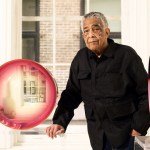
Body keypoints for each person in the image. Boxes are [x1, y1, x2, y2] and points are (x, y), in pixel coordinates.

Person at [46, 12, 150, 150]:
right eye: (86, 31)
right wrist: (59, 122)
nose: (91, 35)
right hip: (98, 136)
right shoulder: (80, 59)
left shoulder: (127, 55)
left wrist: (138, 128)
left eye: (96, 29)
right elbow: (71, 94)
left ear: (106, 32)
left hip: (127, 134)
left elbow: (146, 94)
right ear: (83, 36)